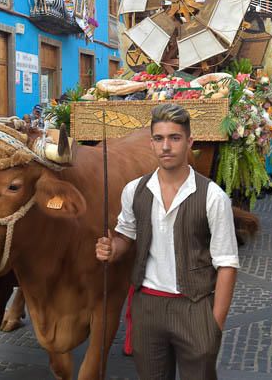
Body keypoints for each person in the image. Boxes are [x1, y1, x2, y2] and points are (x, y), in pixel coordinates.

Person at [95, 104, 238, 380]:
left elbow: (227, 264)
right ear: (151, 143)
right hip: (147, 306)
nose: (166, 146)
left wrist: (214, 327)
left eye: (175, 138)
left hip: (195, 306)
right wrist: (113, 249)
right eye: (159, 139)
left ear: (189, 142)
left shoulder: (213, 197)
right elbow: (126, 236)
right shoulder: (134, 190)